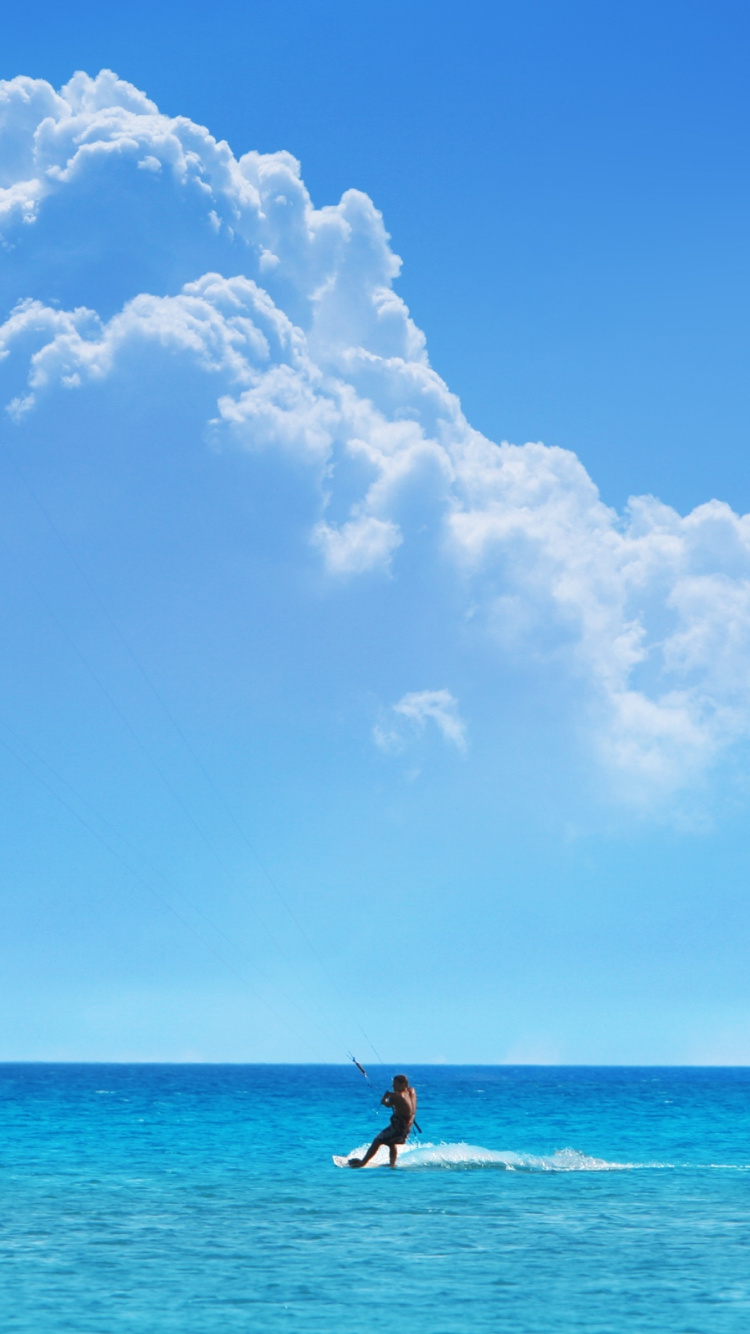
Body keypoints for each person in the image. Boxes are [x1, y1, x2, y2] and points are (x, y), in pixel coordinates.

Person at [349, 1074, 417, 1169]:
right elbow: (412, 1108)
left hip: (399, 1126)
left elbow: (387, 1104)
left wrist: (384, 1098)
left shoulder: (396, 1096)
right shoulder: (411, 1091)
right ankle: (392, 1164)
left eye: (395, 1084)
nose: (393, 1086)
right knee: (391, 1142)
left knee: (377, 1140)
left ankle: (363, 1163)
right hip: (407, 1126)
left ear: (403, 1084)